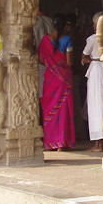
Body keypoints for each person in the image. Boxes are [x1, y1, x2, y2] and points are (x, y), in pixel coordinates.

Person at [38, 14, 75, 150]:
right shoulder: (67, 40)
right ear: (66, 26)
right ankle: (61, 143)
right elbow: (70, 61)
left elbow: (41, 59)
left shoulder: (45, 40)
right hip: (63, 80)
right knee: (63, 110)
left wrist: (53, 65)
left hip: (50, 79)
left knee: (49, 110)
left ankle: (50, 143)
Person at [81, 12, 103, 151]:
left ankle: (98, 143)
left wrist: (86, 59)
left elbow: (85, 54)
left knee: (96, 105)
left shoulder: (92, 39)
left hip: (97, 70)